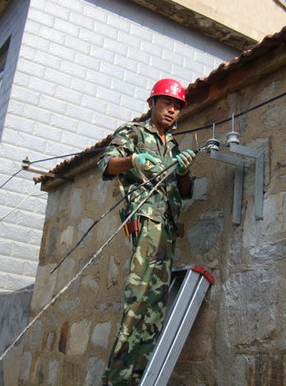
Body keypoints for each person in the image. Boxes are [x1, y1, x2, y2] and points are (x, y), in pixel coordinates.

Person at [98, 78, 196, 386]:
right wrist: (133, 159)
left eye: (177, 106)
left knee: (155, 307)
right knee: (138, 299)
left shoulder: (173, 145)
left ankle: (138, 376)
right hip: (146, 221)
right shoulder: (134, 132)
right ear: (152, 103)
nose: (172, 110)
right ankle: (117, 379)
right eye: (166, 103)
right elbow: (105, 164)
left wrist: (183, 170)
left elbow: (186, 191)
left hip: (166, 228)